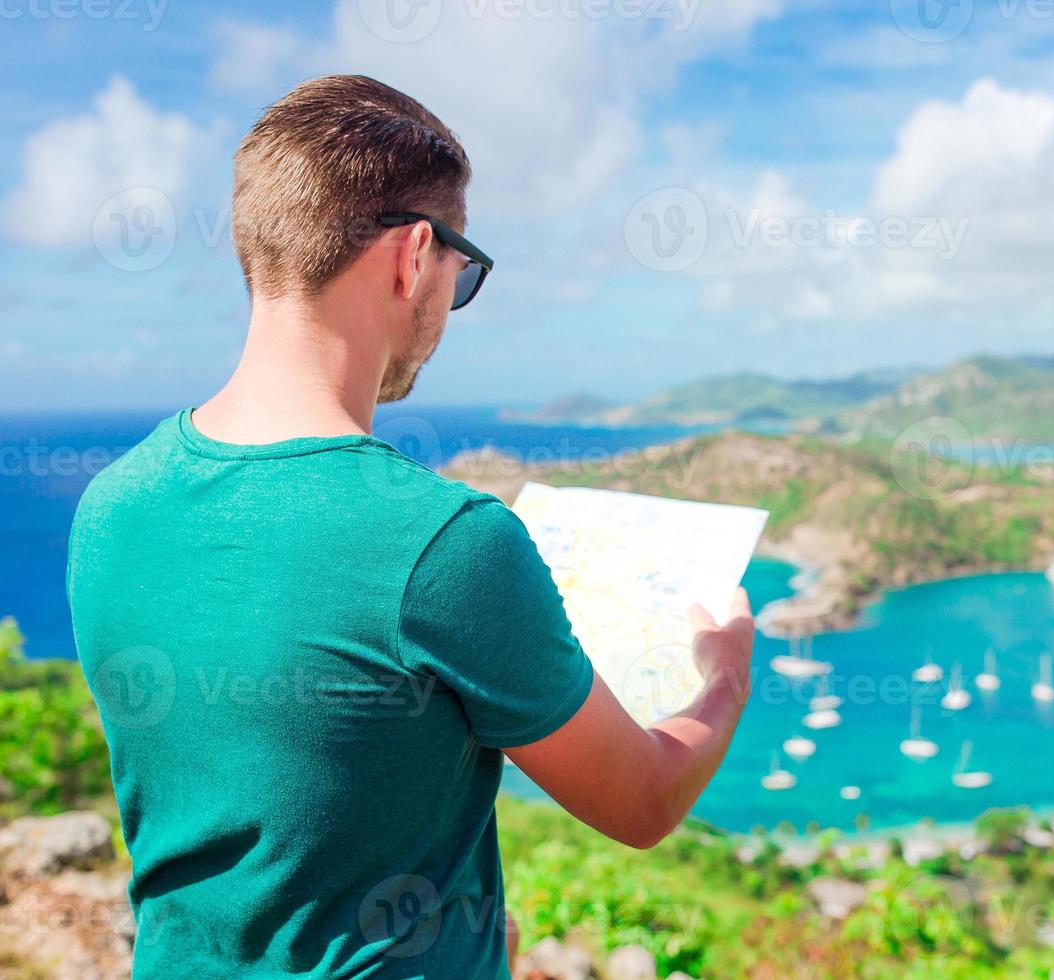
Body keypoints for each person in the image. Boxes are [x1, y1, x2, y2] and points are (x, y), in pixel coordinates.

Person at [66, 74, 754, 979]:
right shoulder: (445, 543)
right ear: (414, 254)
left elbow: (277, 800)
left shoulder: (111, 506)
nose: (450, 304)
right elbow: (643, 801)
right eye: (461, 276)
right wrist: (724, 680)